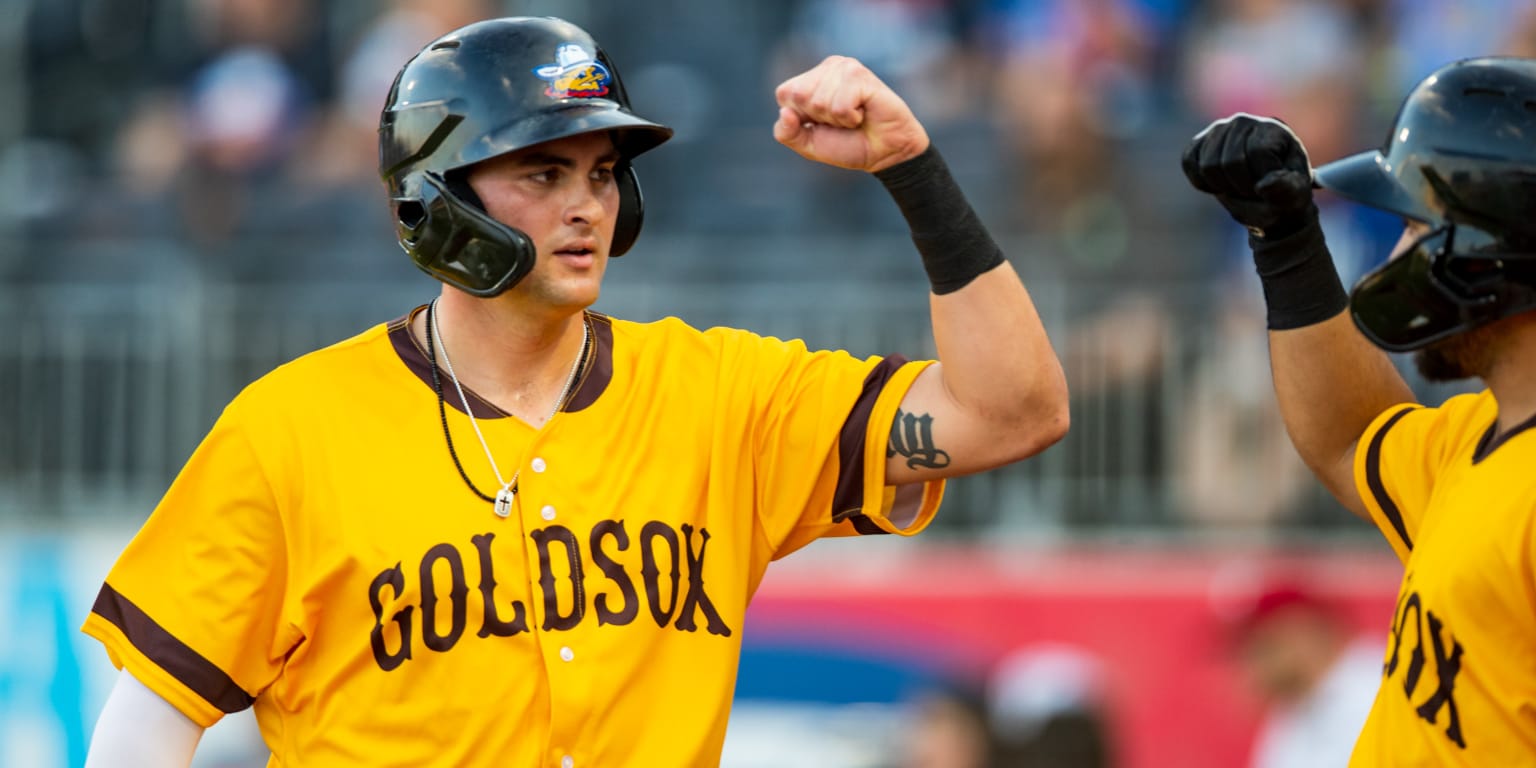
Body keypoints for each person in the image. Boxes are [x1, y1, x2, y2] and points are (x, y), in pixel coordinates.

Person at [79, 15, 1069, 767]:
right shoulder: (288, 432)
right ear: (433, 201)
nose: (586, 204)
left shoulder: (721, 396)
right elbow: (142, 730)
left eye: (601, 173)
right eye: (543, 174)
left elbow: (1013, 411)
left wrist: (912, 170)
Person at [1182, 56, 1536, 765]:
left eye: (1414, 227)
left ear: (1483, 255)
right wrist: (1287, 245)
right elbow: (1352, 435)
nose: (1395, 255)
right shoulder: (1476, 435)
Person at [1227, 585, 1382, 768]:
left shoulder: (1374, 689)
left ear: (1301, 631)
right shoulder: (1291, 706)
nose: (1248, 664)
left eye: (1262, 646)